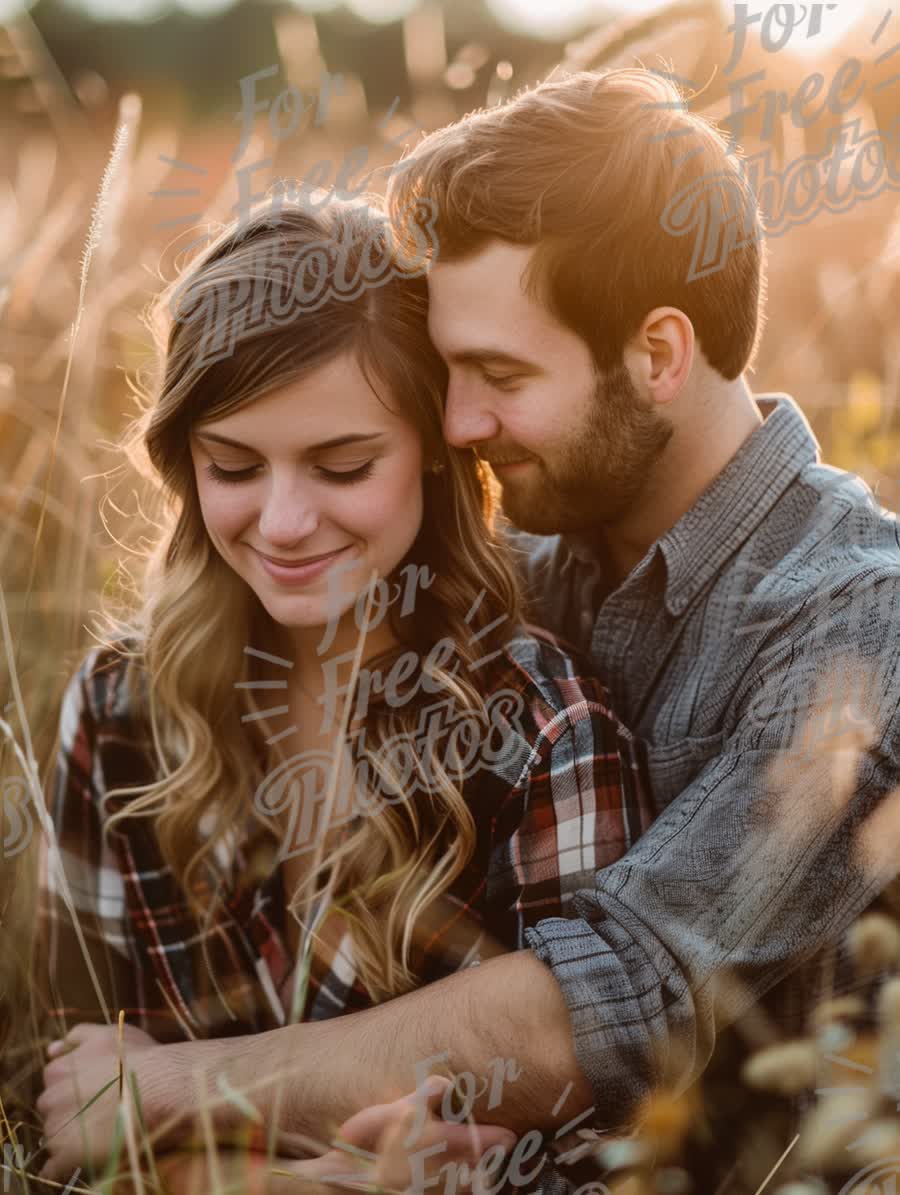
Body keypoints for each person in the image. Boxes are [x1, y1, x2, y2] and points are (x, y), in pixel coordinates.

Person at [40, 66, 900, 1195]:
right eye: (448, 370)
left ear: (658, 355)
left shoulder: (860, 620)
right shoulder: (518, 568)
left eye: (497, 375)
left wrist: (161, 1090)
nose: (455, 423)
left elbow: (617, 998)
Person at [34, 195, 656, 1189]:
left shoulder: (544, 732)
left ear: (439, 455)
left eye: (342, 464)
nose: (283, 522)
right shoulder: (119, 709)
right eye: (232, 465)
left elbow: (614, 1145)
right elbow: (72, 1105)